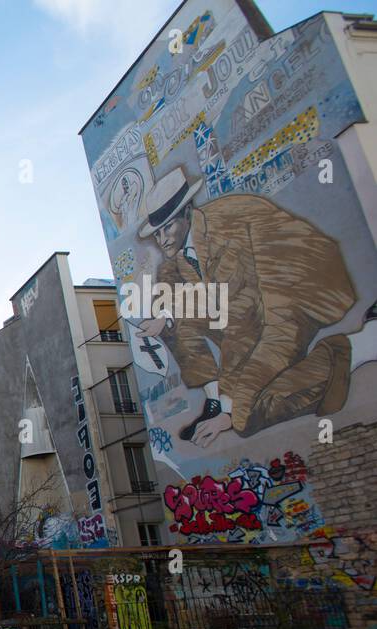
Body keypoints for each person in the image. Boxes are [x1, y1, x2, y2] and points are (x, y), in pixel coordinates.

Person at [135, 166, 375, 447]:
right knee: (170, 316)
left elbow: (243, 328)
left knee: (246, 412)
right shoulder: (178, 255)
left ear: (187, 213)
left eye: (167, 228)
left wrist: (231, 408)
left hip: (300, 290)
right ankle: (214, 401)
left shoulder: (228, 235)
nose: (162, 239)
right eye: (157, 233)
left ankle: (359, 346)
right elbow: (175, 291)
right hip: (250, 307)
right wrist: (166, 316)